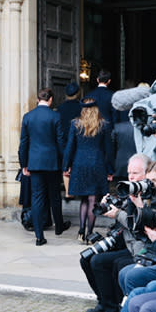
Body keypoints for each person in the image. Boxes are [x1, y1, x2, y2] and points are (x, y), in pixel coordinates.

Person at [82, 154, 151, 312]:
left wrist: (118, 213)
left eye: (135, 173)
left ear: (146, 174)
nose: (131, 177)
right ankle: (104, 303)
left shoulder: (149, 193)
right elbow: (122, 213)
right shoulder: (129, 189)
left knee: (106, 262)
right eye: (129, 173)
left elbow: (140, 223)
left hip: (140, 247)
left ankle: (112, 307)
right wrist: (109, 204)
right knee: (86, 258)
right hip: (125, 241)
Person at [19, 87, 70, 246]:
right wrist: (65, 163)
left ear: (37, 100)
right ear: (50, 100)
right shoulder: (55, 116)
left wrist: (24, 164)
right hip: (52, 162)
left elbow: (23, 144)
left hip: (34, 163)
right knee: (55, 195)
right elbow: (61, 142)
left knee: (37, 198)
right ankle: (59, 227)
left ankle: (39, 235)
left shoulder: (28, 117)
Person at [63, 98, 113, 242]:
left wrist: (66, 166)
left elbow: (70, 147)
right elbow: (108, 150)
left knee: (84, 199)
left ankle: (80, 231)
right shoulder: (103, 124)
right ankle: (90, 233)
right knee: (93, 199)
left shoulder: (75, 124)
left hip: (79, 163)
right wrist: (110, 169)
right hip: (97, 164)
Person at [58, 82, 82, 199]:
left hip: (64, 140)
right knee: (77, 163)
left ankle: (68, 191)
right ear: (77, 93)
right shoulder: (81, 107)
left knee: (66, 165)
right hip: (79, 139)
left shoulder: (60, 108)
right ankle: (78, 189)